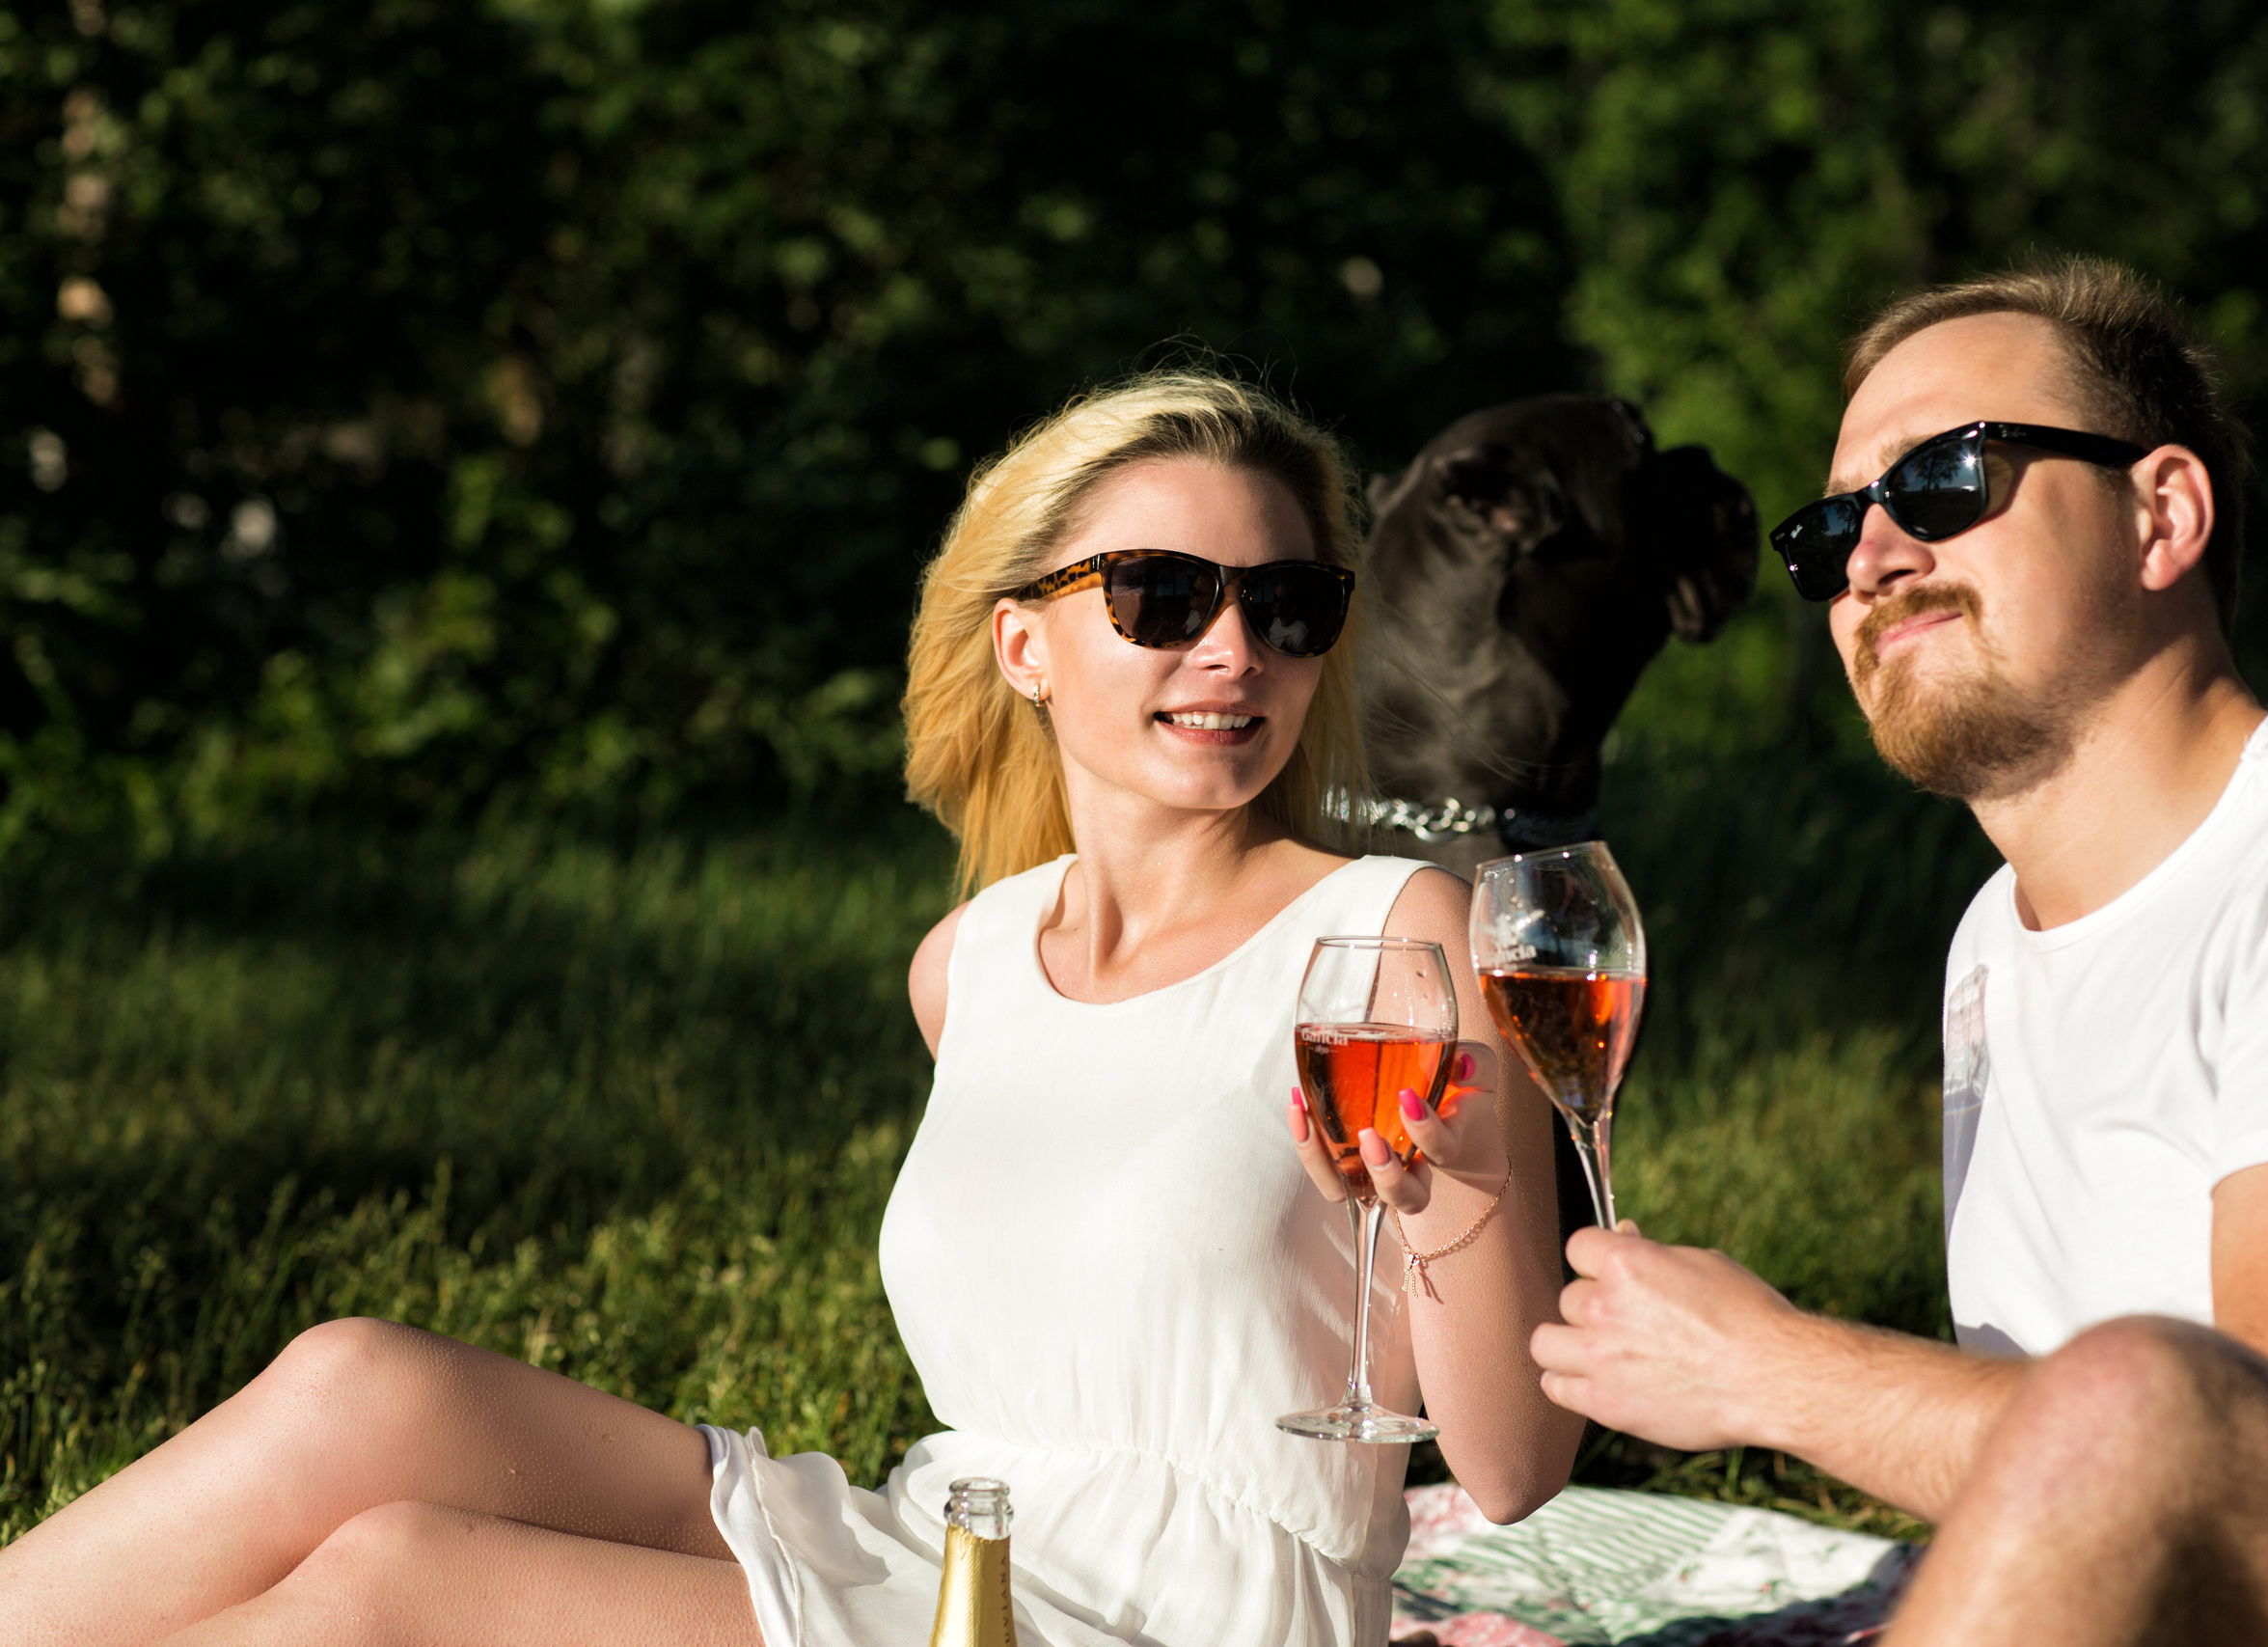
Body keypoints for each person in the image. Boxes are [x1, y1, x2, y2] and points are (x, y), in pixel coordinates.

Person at [0, 371, 1583, 1647]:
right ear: (1022, 641)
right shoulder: (970, 959)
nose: (1234, 649)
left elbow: (1511, 1474)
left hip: (1190, 1618)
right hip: (944, 1551)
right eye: (1163, 595)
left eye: (1288, 602)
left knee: (394, 1582)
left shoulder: (1388, 933)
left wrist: (1453, 1191)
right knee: (361, 1387)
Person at [1529, 259, 2268, 1645]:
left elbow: (2239, 1470)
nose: (1869, 556)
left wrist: (1771, 1372)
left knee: (2147, 1389)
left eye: (1946, 481)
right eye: (1831, 527)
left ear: (2163, 515)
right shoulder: (1993, 935)